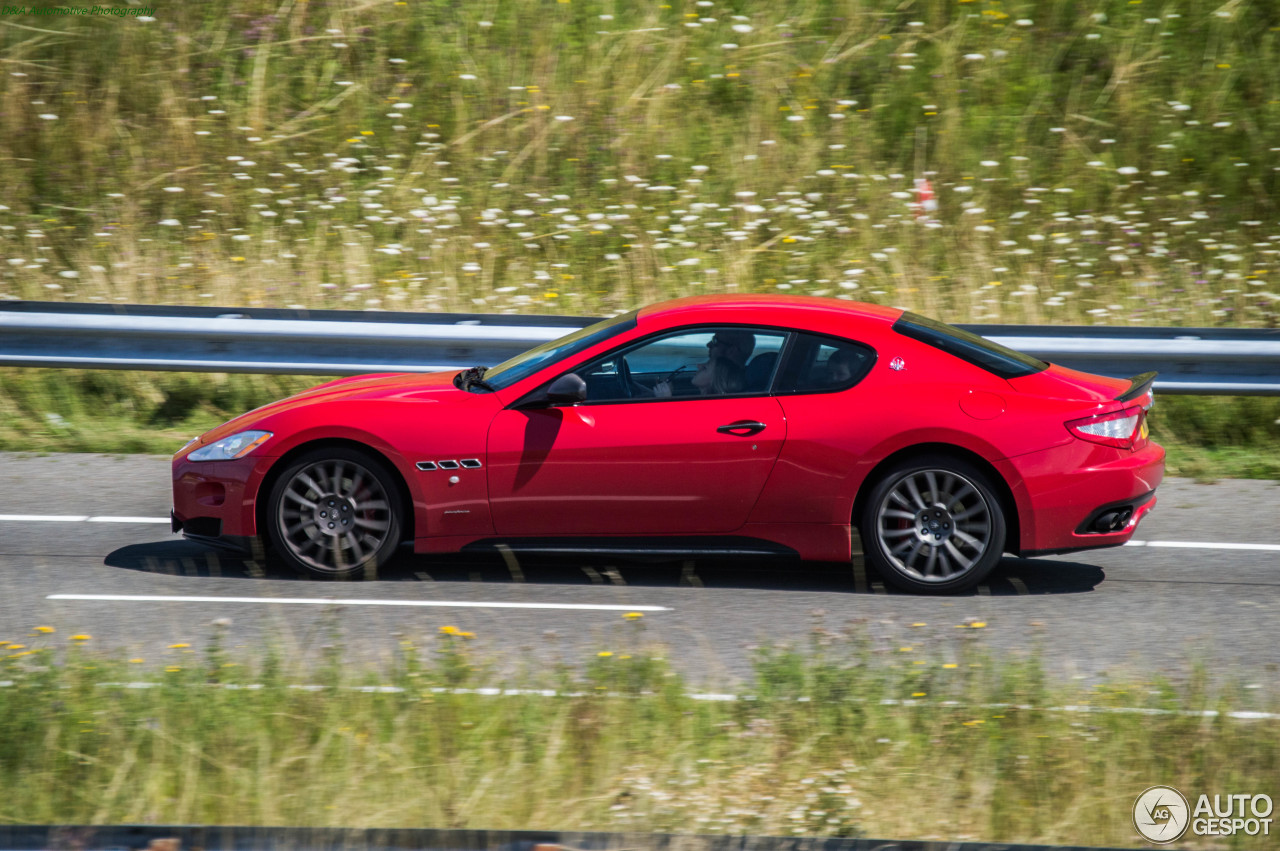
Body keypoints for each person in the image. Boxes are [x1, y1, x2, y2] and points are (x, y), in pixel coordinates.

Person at [655, 354, 745, 397]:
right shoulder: (702, 399)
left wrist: (665, 399)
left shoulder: (713, 408)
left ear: (715, 380)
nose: (698, 365)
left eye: (705, 367)